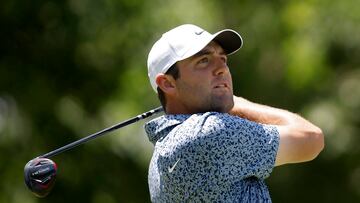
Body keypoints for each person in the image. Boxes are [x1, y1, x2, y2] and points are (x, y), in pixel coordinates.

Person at [144, 24, 324, 202]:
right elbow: (311, 138)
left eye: (223, 59)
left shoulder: (158, 159)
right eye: (203, 61)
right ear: (167, 83)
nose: (222, 69)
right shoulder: (209, 133)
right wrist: (235, 102)